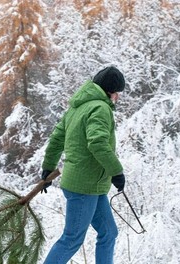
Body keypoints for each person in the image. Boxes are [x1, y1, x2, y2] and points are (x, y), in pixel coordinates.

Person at [40, 66, 126, 264]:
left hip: (91, 185)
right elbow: (97, 143)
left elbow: (56, 139)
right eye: (118, 93)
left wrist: (48, 168)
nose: (118, 98)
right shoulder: (100, 108)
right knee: (72, 240)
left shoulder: (77, 107)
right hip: (84, 186)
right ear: (111, 92)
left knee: (108, 232)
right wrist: (117, 172)